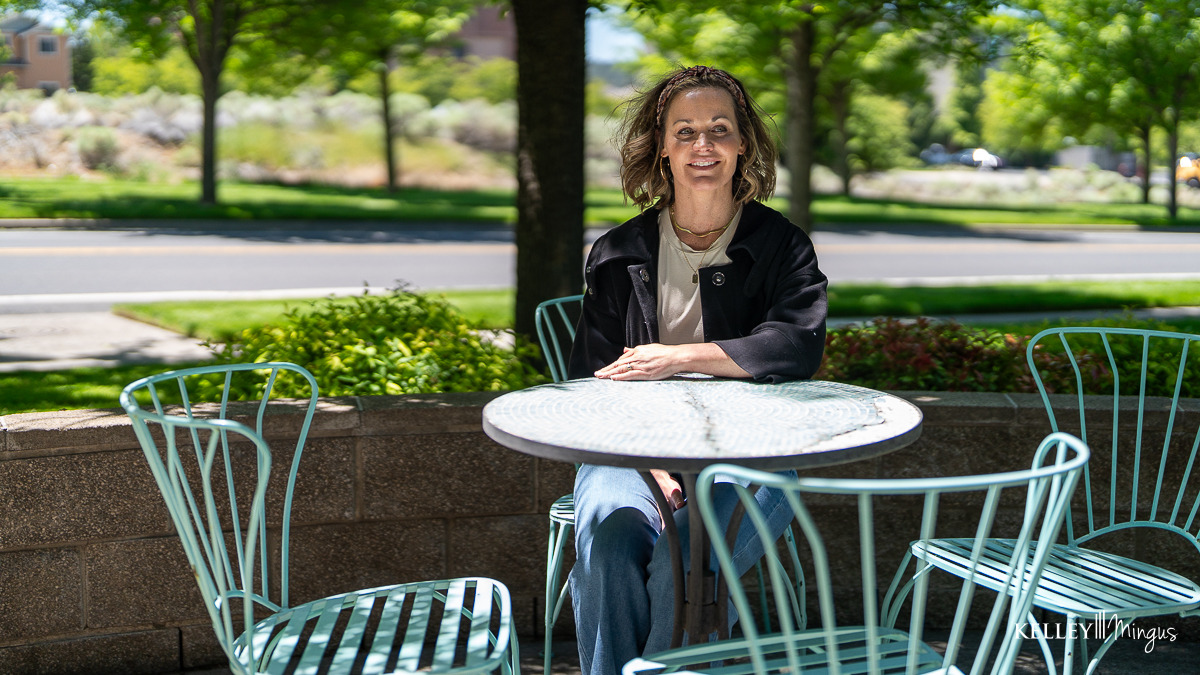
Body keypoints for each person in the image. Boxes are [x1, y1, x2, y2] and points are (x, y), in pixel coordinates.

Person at [565, 65, 828, 675]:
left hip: (752, 455)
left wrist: (679, 358)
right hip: (630, 452)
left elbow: (796, 346)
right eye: (685, 132)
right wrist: (655, 469)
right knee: (607, 543)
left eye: (719, 129)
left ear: (742, 146)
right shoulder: (618, 252)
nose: (702, 146)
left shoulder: (781, 244)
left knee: (687, 557)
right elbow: (591, 383)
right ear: (662, 146)